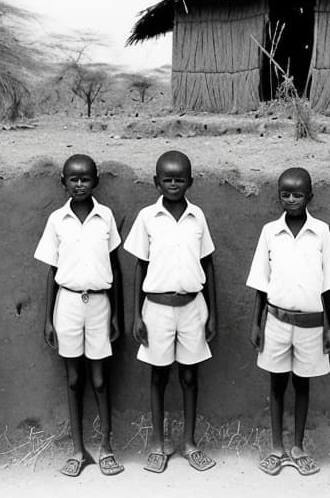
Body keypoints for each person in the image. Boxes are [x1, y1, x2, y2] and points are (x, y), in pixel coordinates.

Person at [247, 167, 330, 476]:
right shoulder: (269, 233)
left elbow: (328, 284)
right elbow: (261, 284)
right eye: (285, 194)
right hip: (276, 321)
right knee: (276, 385)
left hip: (311, 325)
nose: (291, 199)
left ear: (310, 197)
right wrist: (256, 323)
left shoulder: (321, 232)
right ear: (278, 196)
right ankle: (276, 448)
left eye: (298, 194)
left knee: (302, 385)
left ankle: (298, 447)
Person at [124, 150, 217, 473]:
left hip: (193, 307)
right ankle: (158, 443)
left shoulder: (198, 217)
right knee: (159, 375)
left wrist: (213, 314)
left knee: (190, 376)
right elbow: (140, 266)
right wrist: (136, 315)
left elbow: (208, 264)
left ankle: (190, 443)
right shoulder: (147, 218)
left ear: (190, 181)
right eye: (167, 179)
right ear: (156, 181)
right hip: (157, 309)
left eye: (180, 179)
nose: (174, 184)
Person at [34, 154, 124, 477]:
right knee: (74, 378)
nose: (80, 184)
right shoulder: (57, 220)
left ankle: (106, 447)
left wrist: (116, 315)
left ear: (95, 181)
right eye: (73, 179)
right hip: (68, 304)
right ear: (63, 182)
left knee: (100, 379)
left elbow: (115, 267)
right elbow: (51, 272)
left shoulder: (106, 217)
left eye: (86, 178)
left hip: (99, 304)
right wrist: (47, 319)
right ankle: (77, 449)